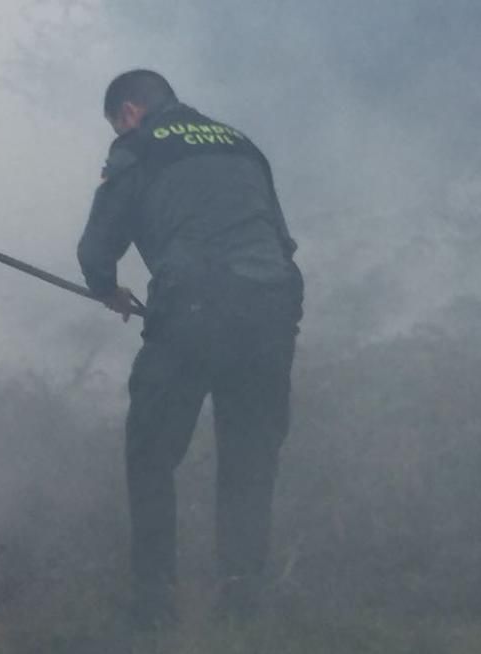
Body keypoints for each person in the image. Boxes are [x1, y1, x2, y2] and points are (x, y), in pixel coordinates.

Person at [77, 69, 303, 625]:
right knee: (249, 455)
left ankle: (155, 604)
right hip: (271, 304)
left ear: (129, 112)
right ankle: (243, 597)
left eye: (116, 121)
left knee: (151, 454)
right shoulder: (240, 143)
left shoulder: (138, 147)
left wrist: (107, 288)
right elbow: (279, 237)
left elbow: (96, 247)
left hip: (194, 306)